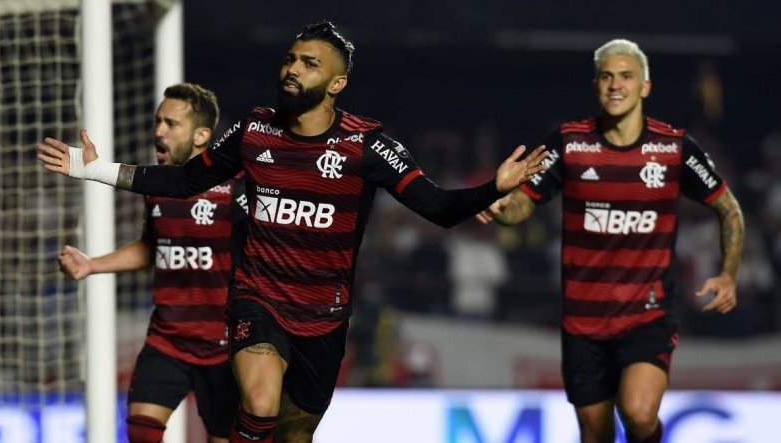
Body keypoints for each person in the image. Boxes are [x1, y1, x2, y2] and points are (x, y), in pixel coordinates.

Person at [38, 22, 548, 443]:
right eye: (289, 58)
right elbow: (182, 180)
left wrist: (490, 188)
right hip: (257, 299)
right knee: (258, 403)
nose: (292, 68)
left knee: (292, 434)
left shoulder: (366, 146)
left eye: (309, 64)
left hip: (324, 317)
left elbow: (436, 207)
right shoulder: (254, 130)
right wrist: (96, 170)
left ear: (336, 84)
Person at [477, 39, 744, 443]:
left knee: (638, 414)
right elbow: (523, 205)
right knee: (595, 434)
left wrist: (728, 274)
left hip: (647, 314)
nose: (615, 85)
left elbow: (729, 209)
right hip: (583, 321)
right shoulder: (569, 143)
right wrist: (500, 208)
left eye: (625, 76)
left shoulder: (673, 147)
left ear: (645, 87)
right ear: (596, 86)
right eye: (606, 77)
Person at [57, 83, 247, 443]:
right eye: (158, 121)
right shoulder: (154, 186)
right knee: (141, 434)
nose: (158, 131)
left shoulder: (237, 188)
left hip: (223, 347)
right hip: (167, 340)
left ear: (201, 135)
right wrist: (92, 265)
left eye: (171, 124)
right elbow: (152, 246)